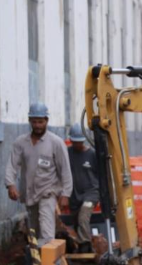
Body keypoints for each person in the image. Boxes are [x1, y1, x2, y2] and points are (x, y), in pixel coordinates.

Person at [4, 103, 73, 247]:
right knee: (34, 233)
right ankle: (35, 263)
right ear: (30, 121)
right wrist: (10, 184)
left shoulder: (56, 143)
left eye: (40, 122)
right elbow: (12, 165)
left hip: (48, 193)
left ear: (46, 121)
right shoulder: (21, 143)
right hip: (29, 195)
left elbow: (65, 170)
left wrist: (66, 194)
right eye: (34, 121)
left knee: (47, 235)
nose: (37, 125)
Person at [67, 123, 99, 253]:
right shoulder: (67, 153)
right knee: (77, 220)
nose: (77, 145)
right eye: (74, 142)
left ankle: (85, 244)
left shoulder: (92, 155)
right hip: (74, 194)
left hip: (91, 192)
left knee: (83, 216)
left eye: (79, 142)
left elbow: (101, 174)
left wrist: (102, 193)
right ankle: (81, 245)